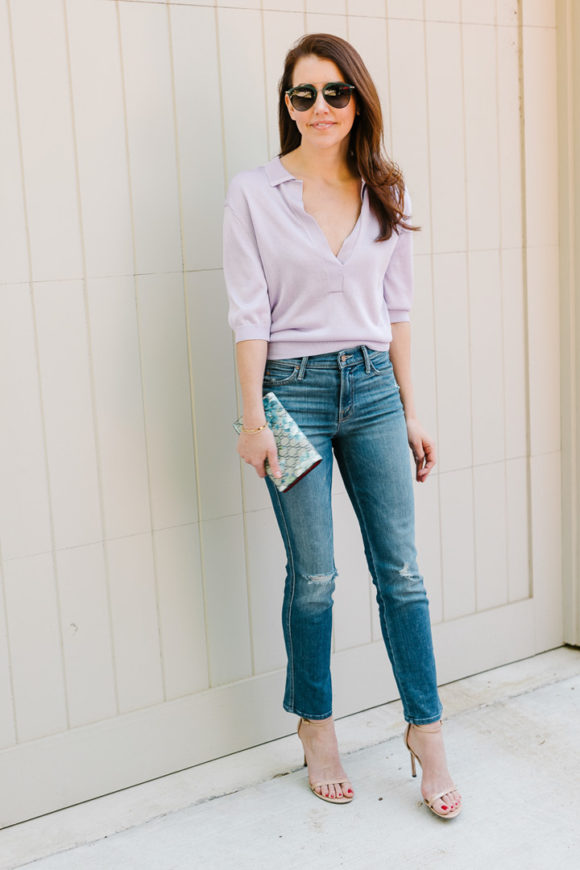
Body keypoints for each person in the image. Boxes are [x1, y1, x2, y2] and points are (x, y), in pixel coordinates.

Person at [222, 32, 462, 819]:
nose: (320, 107)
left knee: (402, 573)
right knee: (315, 575)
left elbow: (396, 310)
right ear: (286, 104)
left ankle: (426, 733)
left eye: (335, 92)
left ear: (357, 99)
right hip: (289, 397)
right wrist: (252, 416)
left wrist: (412, 408)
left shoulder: (386, 186)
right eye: (303, 94)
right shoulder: (255, 193)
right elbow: (249, 314)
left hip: (373, 393)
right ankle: (316, 726)